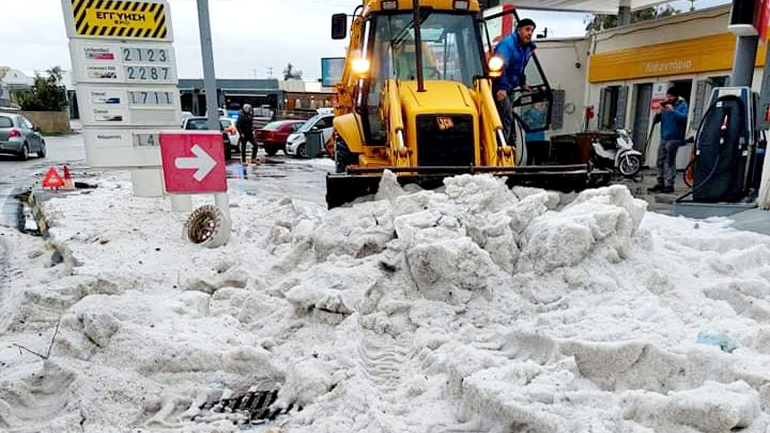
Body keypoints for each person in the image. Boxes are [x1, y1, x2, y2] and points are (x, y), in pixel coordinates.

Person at [494, 18, 537, 145]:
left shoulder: (527, 48)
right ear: (519, 30)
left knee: (507, 117)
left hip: (510, 88)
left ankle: (504, 143)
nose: (530, 33)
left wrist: (523, 83)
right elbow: (499, 66)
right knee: (506, 117)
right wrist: (501, 88)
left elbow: (520, 68)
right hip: (499, 86)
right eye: (527, 29)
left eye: (532, 31)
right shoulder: (507, 44)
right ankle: (501, 148)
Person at [648, 88, 688, 194]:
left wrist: (673, 111)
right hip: (664, 137)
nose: (668, 98)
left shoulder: (682, 105)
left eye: (671, 96)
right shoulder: (665, 106)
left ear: (676, 97)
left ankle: (669, 184)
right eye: (668, 96)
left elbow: (684, 118)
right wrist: (659, 113)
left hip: (675, 138)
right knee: (660, 160)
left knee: (669, 161)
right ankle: (660, 182)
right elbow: (656, 121)